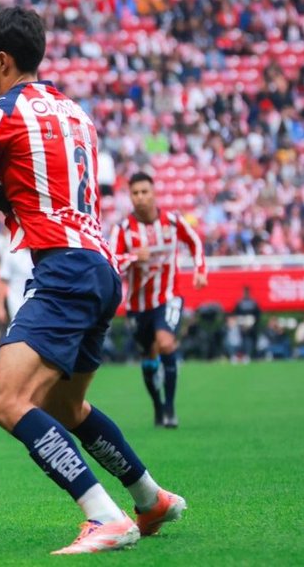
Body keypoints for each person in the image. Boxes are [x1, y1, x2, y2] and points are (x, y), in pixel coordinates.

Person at [0, 7, 183, 554]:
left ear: (2, 59)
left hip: (62, 267)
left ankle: (103, 515)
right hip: (100, 265)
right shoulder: (75, 112)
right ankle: (149, 495)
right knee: (67, 408)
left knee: (8, 401)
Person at [109, 172, 207, 428]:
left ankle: (171, 408)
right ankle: (158, 406)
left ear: (154, 193)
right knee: (148, 356)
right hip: (138, 306)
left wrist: (200, 269)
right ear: (130, 197)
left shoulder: (173, 222)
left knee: (165, 343)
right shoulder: (122, 230)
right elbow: (109, 261)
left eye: (145, 192)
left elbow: (194, 241)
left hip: (169, 296)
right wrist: (131, 257)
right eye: (135, 193)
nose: (140, 197)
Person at [0, 240, 34, 325]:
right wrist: (0, 307)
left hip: (37, 305)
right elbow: (3, 281)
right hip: (16, 304)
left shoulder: (41, 253)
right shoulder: (11, 253)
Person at [231, 287, 262, 361]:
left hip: (251, 325)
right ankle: (240, 355)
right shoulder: (240, 302)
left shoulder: (253, 302)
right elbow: (236, 313)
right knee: (240, 340)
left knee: (250, 341)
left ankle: (249, 355)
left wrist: (251, 324)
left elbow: (257, 315)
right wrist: (241, 323)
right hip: (241, 324)